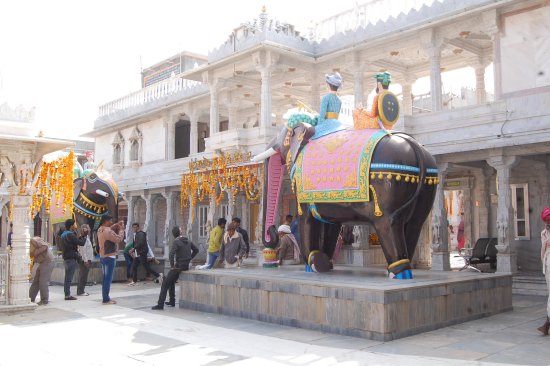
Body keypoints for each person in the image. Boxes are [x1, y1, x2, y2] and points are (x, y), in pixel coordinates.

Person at [152, 226, 198, 310]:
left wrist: (172, 266)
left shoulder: (176, 242)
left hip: (178, 267)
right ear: (180, 233)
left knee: (165, 283)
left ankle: (160, 304)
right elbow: (196, 250)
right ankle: (172, 301)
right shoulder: (188, 240)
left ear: (173, 235)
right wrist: (189, 258)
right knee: (171, 281)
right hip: (186, 266)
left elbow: (171, 254)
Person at [97, 215, 124, 304]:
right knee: (108, 279)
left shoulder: (100, 229)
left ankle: (105, 297)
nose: (111, 222)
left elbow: (109, 230)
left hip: (103, 256)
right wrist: (121, 230)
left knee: (105, 278)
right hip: (109, 256)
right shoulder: (108, 232)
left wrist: (116, 225)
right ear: (106, 221)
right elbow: (118, 239)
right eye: (110, 221)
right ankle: (106, 299)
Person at [61, 219, 88, 300]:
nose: (75, 226)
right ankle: (67, 295)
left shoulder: (64, 234)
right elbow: (81, 243)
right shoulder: (70, 234)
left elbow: (74, 241)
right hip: (71, 257)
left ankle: (67, 293)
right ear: (71, 225)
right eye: (74, 224)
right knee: (69, 277)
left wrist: (80, 236)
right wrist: (85, 235)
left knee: (67, 277)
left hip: (66, 257)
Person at [312, 72, 345, 139]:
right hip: (337, 124)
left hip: (327, 124)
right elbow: (336, 116)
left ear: (329, 85)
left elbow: (322, 115)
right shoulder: (339, 100)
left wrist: (318, 127)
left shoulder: (326, 97)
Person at [29, 236, 54, 305]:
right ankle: (30, 298)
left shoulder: (35, 242)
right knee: (36, 281)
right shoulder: (28, 244)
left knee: (43, 281)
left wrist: (34, 252)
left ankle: (44, 300)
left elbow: (44, 246)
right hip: (41, 262)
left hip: (47, 261)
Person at [537, 207, 550, 335]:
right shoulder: (543, 233)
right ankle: (546, 324)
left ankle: (546, 324)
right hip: (547, 265)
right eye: (546, 220)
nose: (548, 222)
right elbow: (543, 249)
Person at [76, 224, 94, 297]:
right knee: (83, 275)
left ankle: (81, 290)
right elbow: (82, 250)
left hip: (88, 258)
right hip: (84, 260)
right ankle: (80, 291)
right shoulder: (82, 238)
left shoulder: (87, 237)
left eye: (88, 228)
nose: (89, 230)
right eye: (87, 228)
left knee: (84, 275)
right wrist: (85, 260)